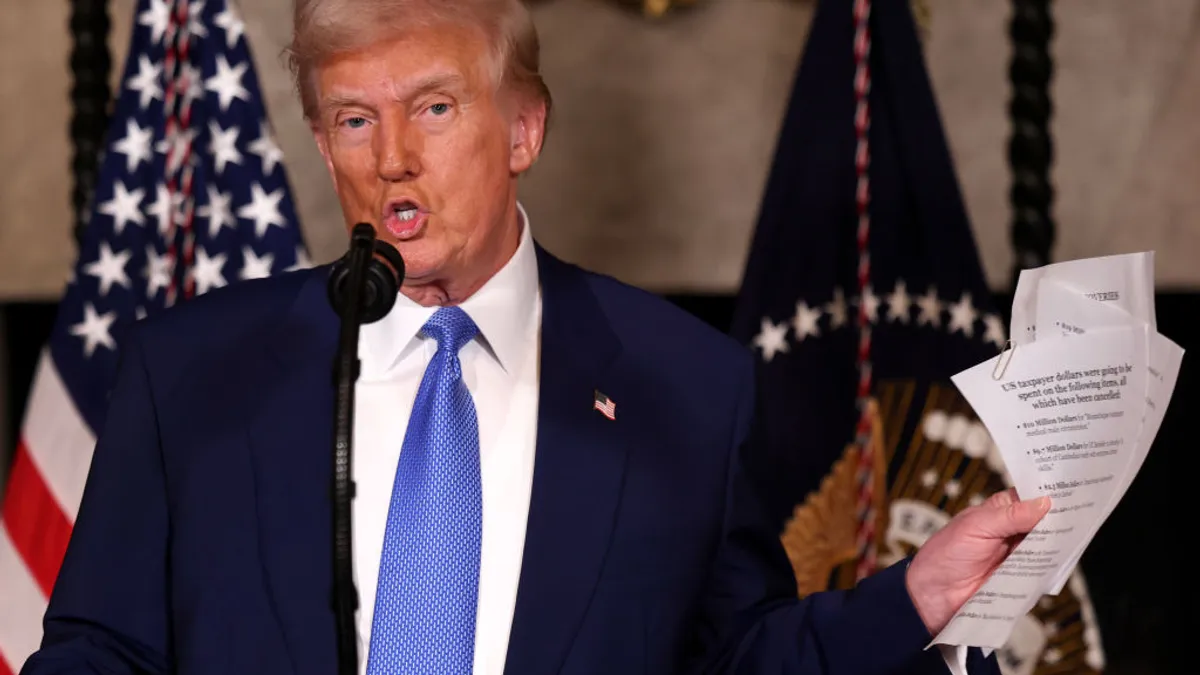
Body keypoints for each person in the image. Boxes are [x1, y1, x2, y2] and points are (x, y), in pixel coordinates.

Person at [22, 1, 1050, 673]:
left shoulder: (684, 385)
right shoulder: (192, 372)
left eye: (433, 107)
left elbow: (740, 659)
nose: (393, 161)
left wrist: (913, 597)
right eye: (351, 121)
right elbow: (95, 652)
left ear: (523, 131)